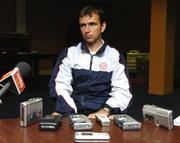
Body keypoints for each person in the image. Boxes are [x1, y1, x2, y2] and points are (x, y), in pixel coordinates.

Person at [49, 5, 132, 118]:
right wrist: (71, 113)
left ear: (102, 26)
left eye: (92, 24)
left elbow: (122, 91)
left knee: (116, 121)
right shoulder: (69, 53)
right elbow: (60, 86)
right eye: (83, 25)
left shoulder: (115, 56)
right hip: (72, 109)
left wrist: (106, 110)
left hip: (103, 111)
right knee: (54, 118)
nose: (87, 30)